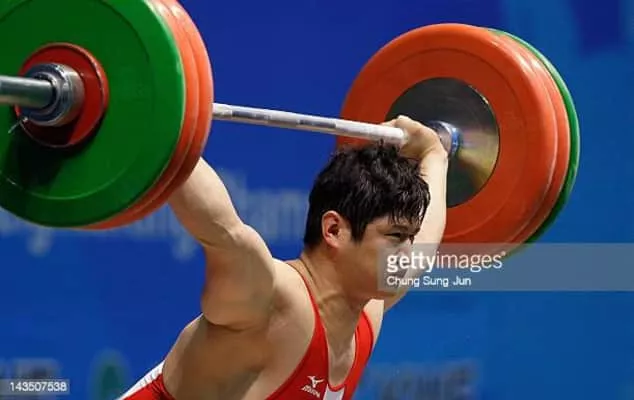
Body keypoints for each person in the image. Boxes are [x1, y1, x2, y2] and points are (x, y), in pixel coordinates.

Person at [118, 116, 449, 400]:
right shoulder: (271, 300)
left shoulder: (365, 314)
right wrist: (155, 117)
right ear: (334, 230)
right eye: (396, 237)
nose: (408, 254)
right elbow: (222, 231)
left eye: (410, 238)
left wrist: (435, 155)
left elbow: (426, 242)